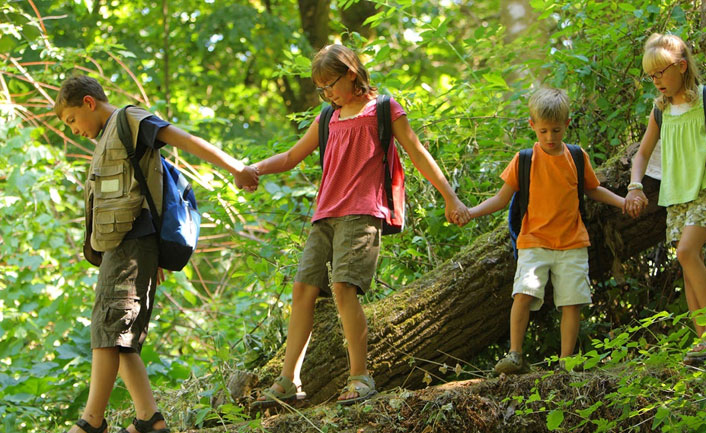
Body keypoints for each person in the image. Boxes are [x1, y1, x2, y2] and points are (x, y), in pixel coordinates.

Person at [252, 44, 469, 406]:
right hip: (325, 214)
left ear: (351, 73)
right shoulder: (327, 117)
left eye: (330, 84)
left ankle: (361, 377)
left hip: (363, 211)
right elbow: (291, 156)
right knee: (303, 289)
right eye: (320, 88)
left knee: (342, 287)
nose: (327, 93)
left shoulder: (383, 109)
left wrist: (451, 197)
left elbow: (417, 152)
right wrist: (255, 169)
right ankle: (288, 381)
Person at [55, 75, 259, 433]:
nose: (73, 130)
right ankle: (149, 419)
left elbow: (183, 139)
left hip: (132, 246)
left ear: (88, 103)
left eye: (71, 120)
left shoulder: (129, 120)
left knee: (108, 330)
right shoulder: (106, 139)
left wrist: (236, 168)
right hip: (125, 248)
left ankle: (91, 423)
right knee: (121, 334)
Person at [458, 87, 628, 374]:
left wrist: (624, 201)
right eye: (544, 131)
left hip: (572, 242)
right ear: (532, 125)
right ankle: (515, 354)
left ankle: (566, 361)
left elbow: (593, 188)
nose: (550, 138)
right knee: (523, 294)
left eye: (557, 131)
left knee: (572, 301)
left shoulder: (576, 156)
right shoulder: (525, 160)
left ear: (567, 125)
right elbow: (501, 199)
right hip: (533, 242)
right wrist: (469, 212)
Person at [624, 33, 706, 364]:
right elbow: (641, 155)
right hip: (676, 195)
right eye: (651, 76)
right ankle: (704, 342)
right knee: (686, 260)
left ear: (681, 67)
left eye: (661, 73)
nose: (656, 82)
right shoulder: (660, 111)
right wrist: (635, 185)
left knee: (686, 251)